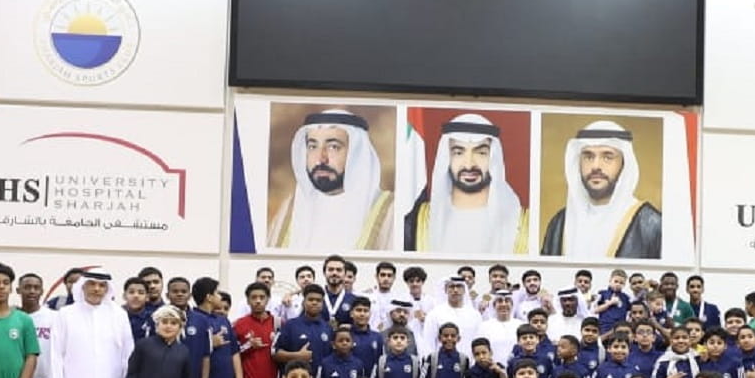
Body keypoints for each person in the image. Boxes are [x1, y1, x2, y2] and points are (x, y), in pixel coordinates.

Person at [403, 114, 530, 253]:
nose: (469, 164)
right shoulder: (416, 222)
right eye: (458, 153)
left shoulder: (523, 224)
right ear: (447, 158)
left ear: (493, 158)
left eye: (481, 153)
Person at [271, 108, 394, 250]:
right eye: (312, 146)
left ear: (357, 155)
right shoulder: (290, 209)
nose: (320, 158)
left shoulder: (388, 211)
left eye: (333, 147)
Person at [541, 120, 662, 257]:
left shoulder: (651, 224)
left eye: (607, 157)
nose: (596, 166)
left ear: (624, 164)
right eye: (588, 157)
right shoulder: (559, 223)